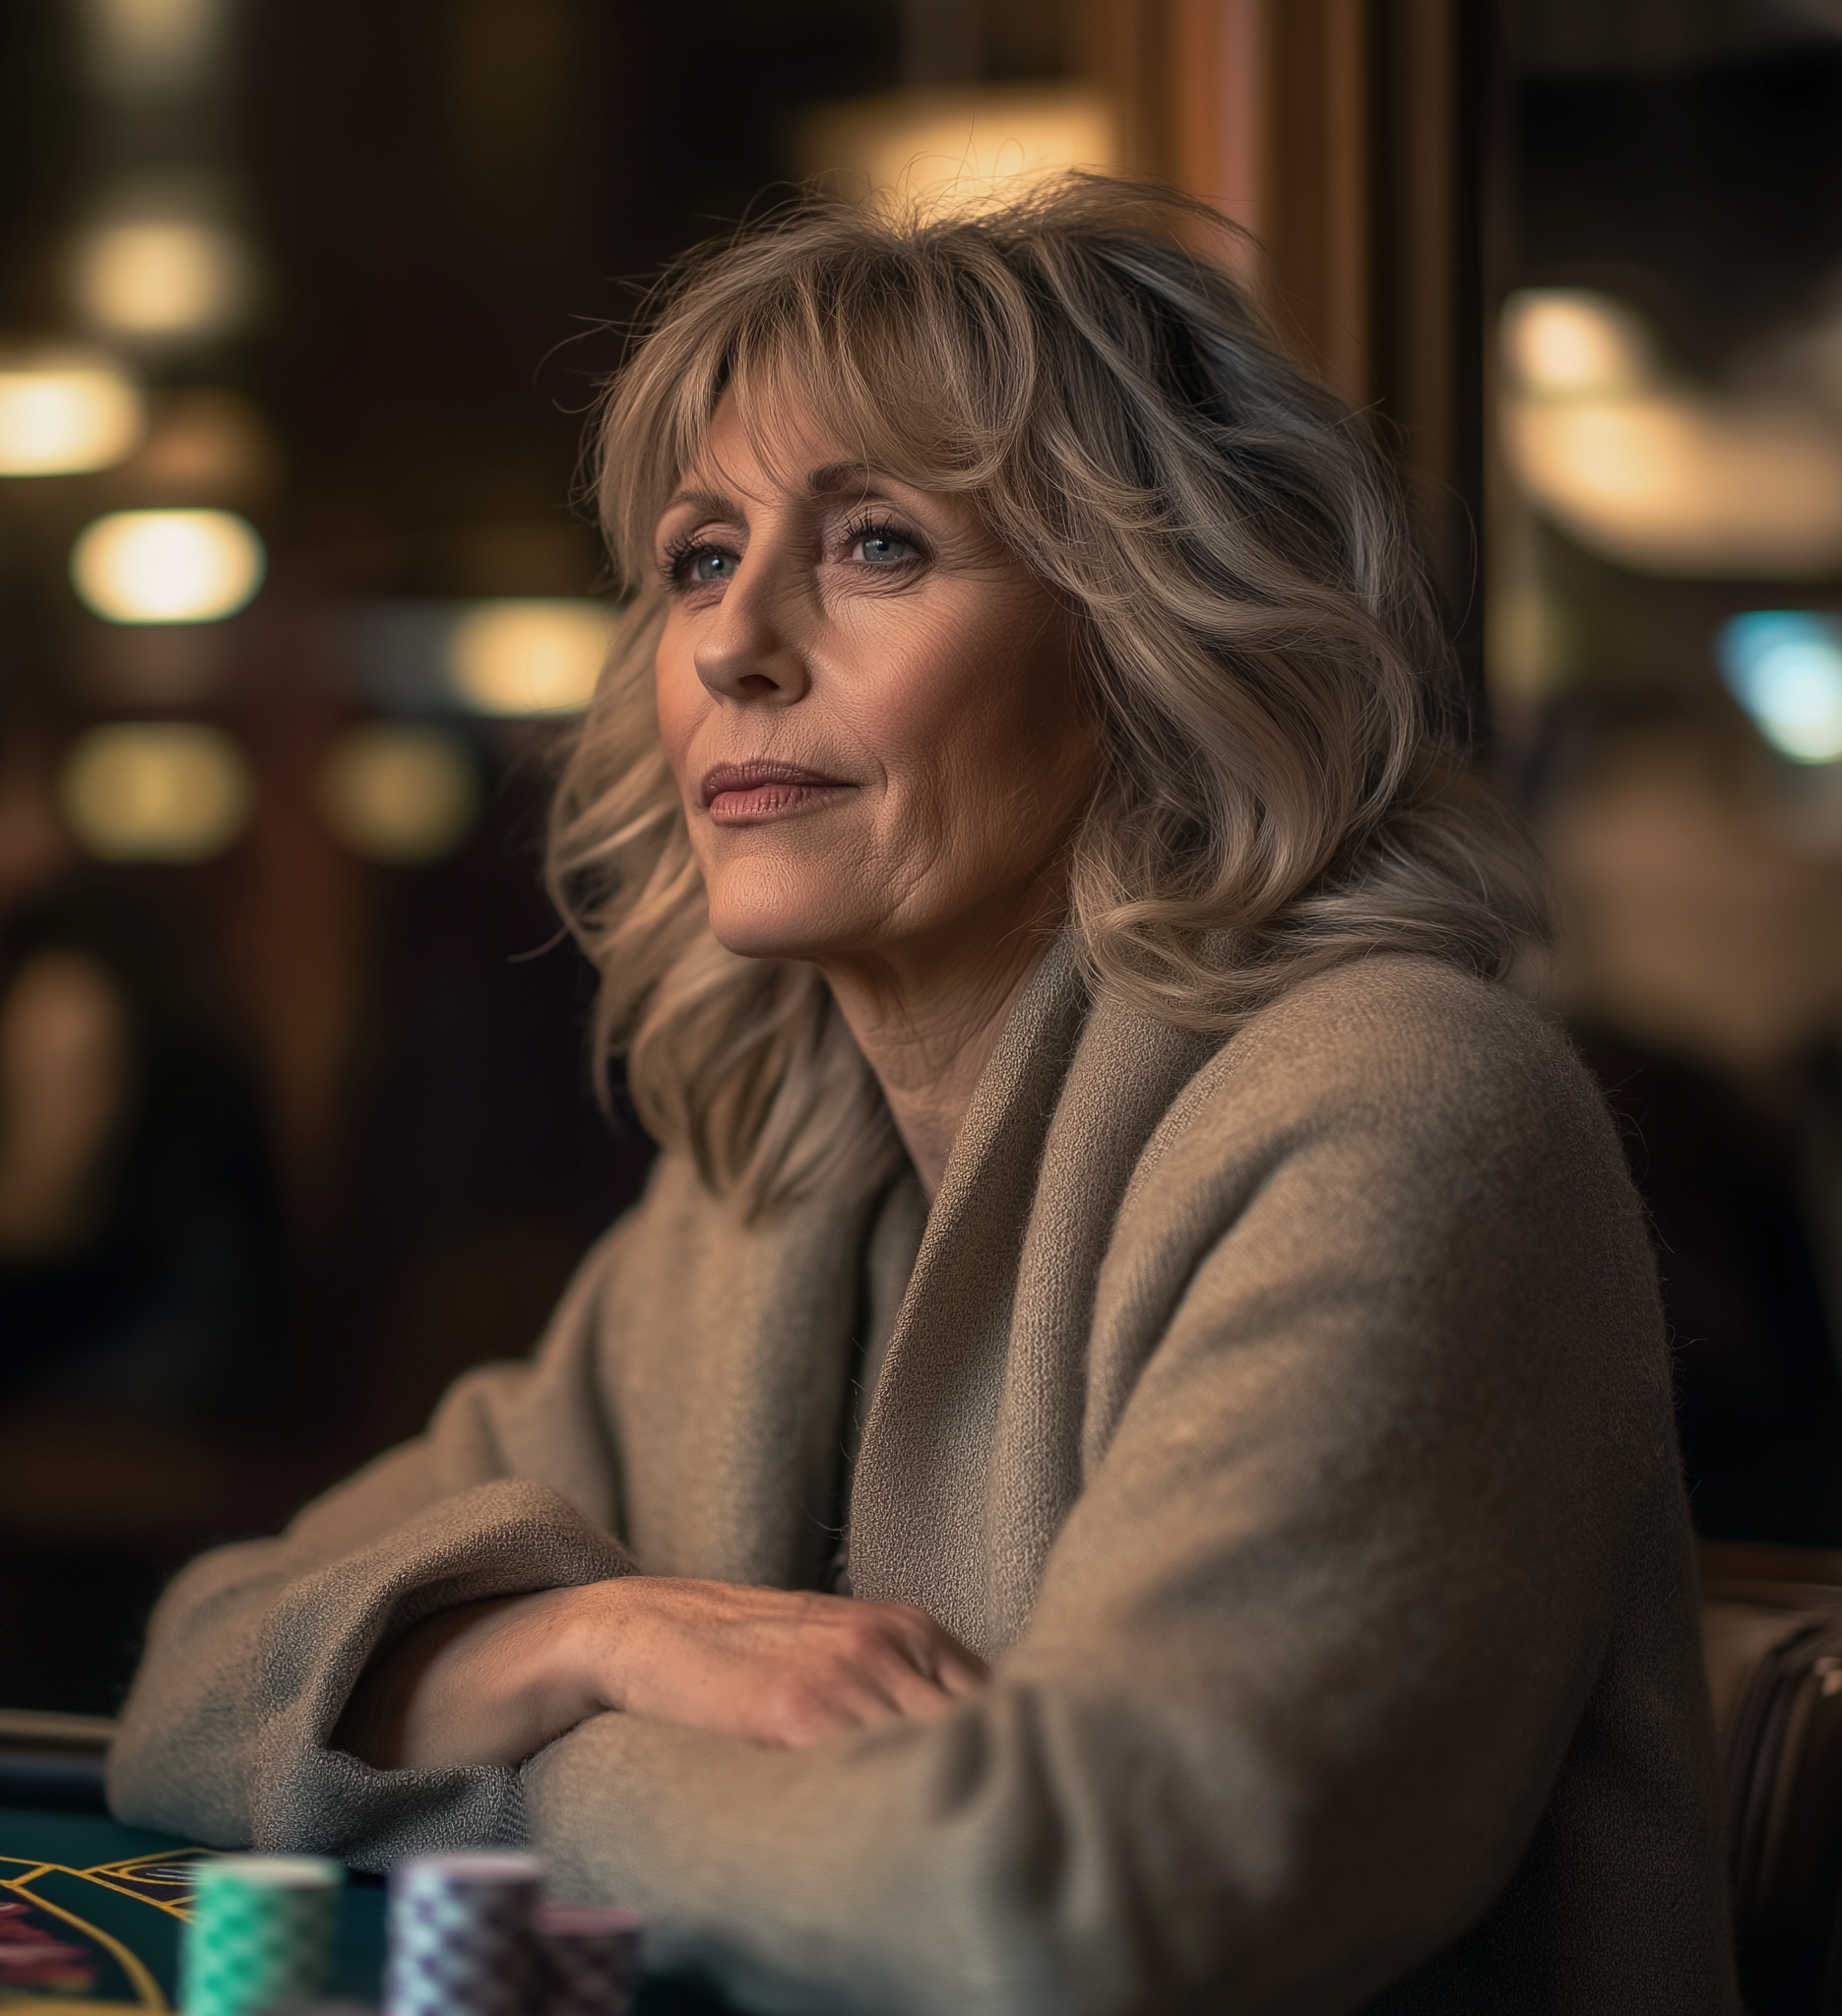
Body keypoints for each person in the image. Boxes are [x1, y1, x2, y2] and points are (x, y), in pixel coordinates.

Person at [107, 177, 1737, 2012]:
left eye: (877, 543)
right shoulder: (765, 1205)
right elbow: (198, 1676)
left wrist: (520, 1751)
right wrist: (600, 1635)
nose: (734, 645)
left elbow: (1071, 1909)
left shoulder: (1405, 1114)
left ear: (1145, 636)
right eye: (700, 556)